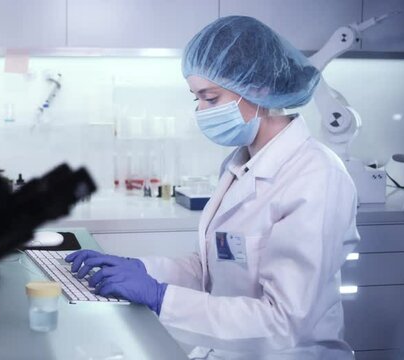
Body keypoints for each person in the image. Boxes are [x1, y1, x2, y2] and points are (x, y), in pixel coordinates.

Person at [65, 16, 360, 359]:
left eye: (210, 98)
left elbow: (282, 321)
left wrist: (160, 296)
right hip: (226, 348)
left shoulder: (316, 177)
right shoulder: (241, 163)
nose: (201, 112)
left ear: (259, 88)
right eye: (197, 100)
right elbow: (214, 268)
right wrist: (142, 270)